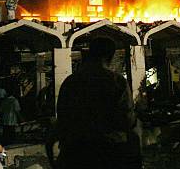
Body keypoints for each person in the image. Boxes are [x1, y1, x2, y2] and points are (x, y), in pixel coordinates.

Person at [57, 37, 141, 169]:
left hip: (76, 153)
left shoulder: (70, 82)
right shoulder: (116, 81)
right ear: (111, 56)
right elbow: (127, 120)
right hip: (108, 152)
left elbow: (62, 119)